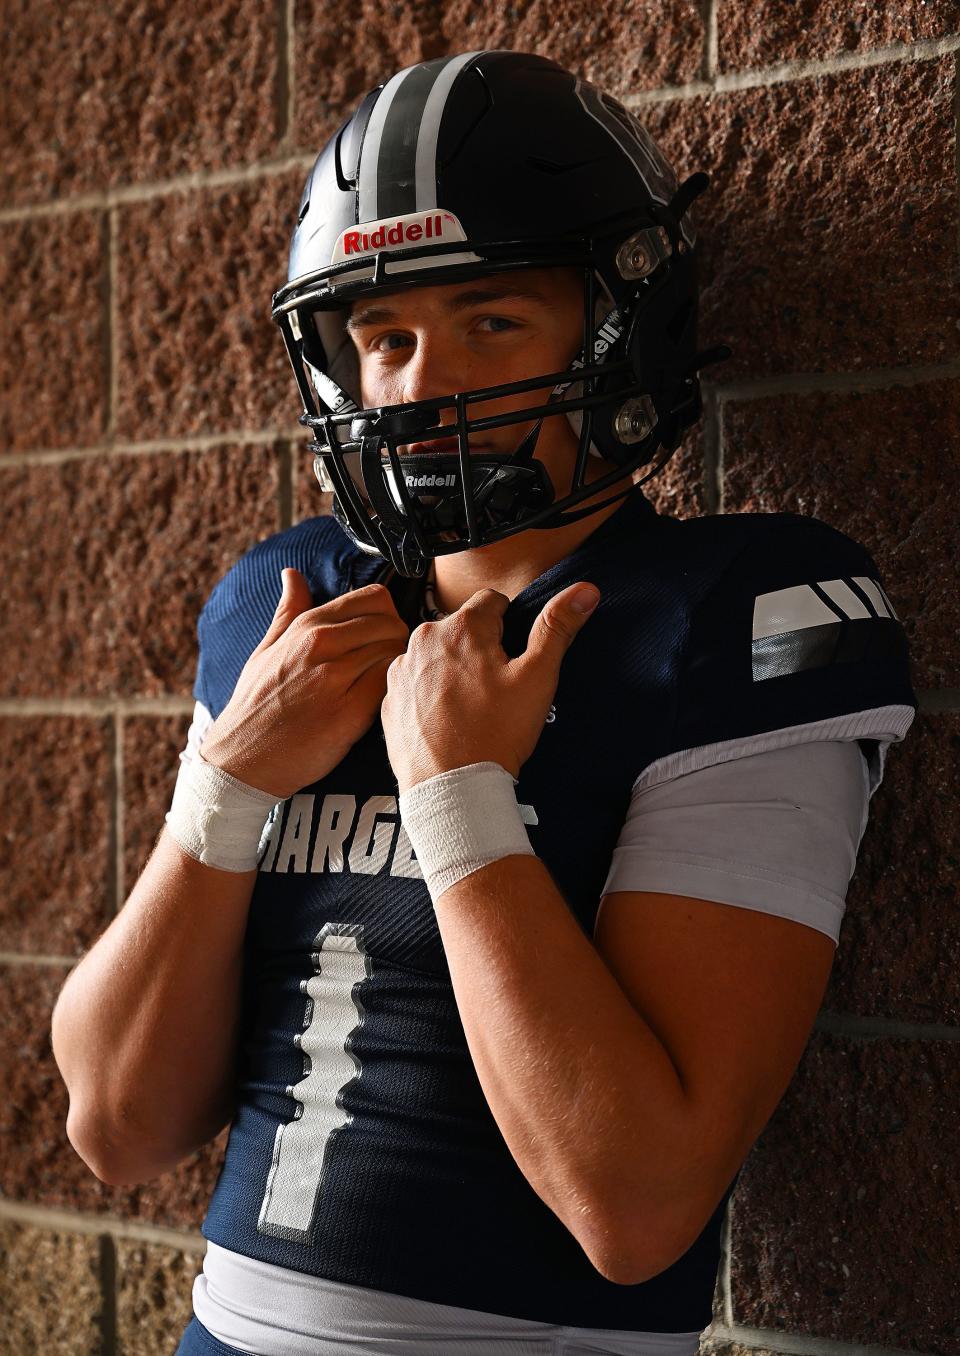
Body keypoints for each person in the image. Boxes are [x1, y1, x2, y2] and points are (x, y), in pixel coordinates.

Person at [51, 50, 916, 1356]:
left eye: (492, 321)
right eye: (385, 338)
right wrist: (224, 790)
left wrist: (460, 801)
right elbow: (116, 1129)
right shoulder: (290, 612)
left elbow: (633, 1206)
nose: (420, 382)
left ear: (618, 325)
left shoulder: (740, 614)